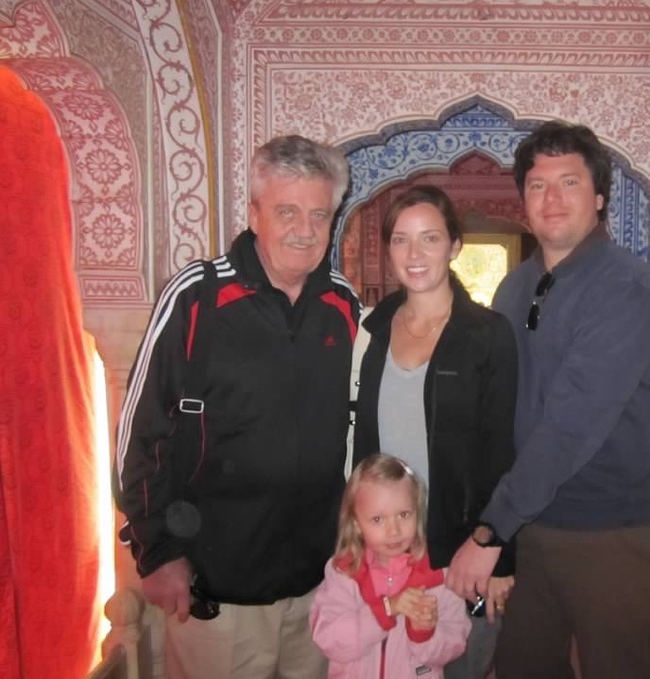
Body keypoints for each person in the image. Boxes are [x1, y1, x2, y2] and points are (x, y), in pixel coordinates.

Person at [114, 134, 361, 679]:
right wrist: (156, 551)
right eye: (287, 211)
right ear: (254, 214)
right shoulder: (197, 297)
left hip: (317, 586)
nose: (304, 230)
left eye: (319, 215)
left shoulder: (342, 304)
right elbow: (140, 431)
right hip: (216, 587)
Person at [447, 120, 650, 678]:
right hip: (530, 524)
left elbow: (572, 424)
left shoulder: (622, 287)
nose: (551, 198)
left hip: (609, 530)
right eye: (537, 185)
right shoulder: (516, 286)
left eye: (569, 182)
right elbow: (496, 406)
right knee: (523, 665)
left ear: (599, 197)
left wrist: (491, 530)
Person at [351, 185, 518, 679]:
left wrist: (499, 555)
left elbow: (502, 450)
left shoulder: (487, 334)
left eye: (430, 238)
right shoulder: (371, 329)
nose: (415, 254)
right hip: (385, 547)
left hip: (459, 551)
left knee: (459, 666)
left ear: (454, 246)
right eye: (401, 240)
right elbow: (360, 441)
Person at [310, 453, 471, 678]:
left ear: (418, 512)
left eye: (404, 515)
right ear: (356, 524)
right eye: (378, 519)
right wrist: (386, 609)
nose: (393, 531)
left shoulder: (437, 573)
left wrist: (424, 633)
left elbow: (455, 643)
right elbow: (329, 640)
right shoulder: (344, 572)